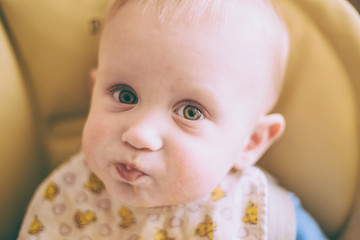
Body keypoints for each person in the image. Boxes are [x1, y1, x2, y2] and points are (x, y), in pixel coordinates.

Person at [18, 0, 327, 239]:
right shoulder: (68, 198)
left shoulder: (262, 215)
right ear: (93, 92)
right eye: (124, 96)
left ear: (250, 142)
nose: (139, 134)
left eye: (190, 112)